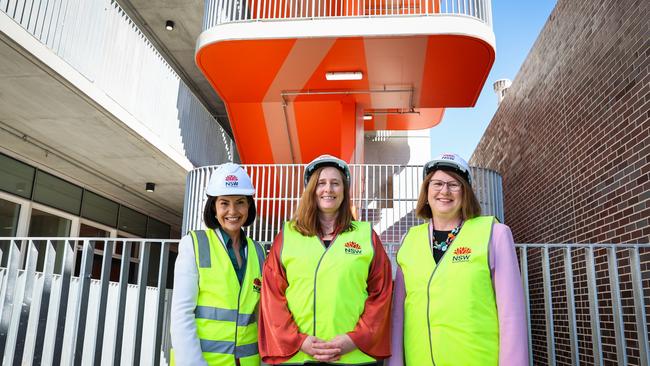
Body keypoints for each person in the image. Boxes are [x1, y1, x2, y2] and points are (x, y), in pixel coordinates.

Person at [388, 153, 529, 366]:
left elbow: (512, 315)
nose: (444, 191)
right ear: (426, 192)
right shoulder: (409, 240)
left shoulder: (494, 233)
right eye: (437, 183)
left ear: (466, 193)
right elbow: (398, 316)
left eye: (454, 184)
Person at [259, 154, 393, 365]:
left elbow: (381, 294)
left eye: (335, 183)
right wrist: (299, 341)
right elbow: (272, 295)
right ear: (311, 190)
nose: (328, 189)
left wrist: (354, 339)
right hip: (299, 356)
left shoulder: (366, 235)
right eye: (321, 183)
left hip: (352, 356)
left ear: (344, 191)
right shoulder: (288, 235)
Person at [170, 163, 266, 366]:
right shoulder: (195, 244)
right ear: (213, 208)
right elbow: (181, 314)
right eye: (224, 203)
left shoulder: (257, 252)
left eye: (240, 202)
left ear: (249, 206)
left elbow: (260, 313)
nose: (233, 211)